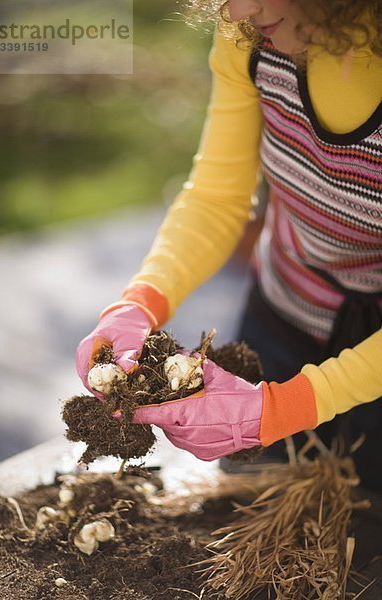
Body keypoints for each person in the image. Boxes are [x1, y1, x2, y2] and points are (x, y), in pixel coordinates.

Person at [76, 0, 382, 491]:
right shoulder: (251, 32)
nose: (237, 7)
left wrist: (288, 407)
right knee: (248, 504)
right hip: (285, 313)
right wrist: (139, 302)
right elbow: (218, 196)